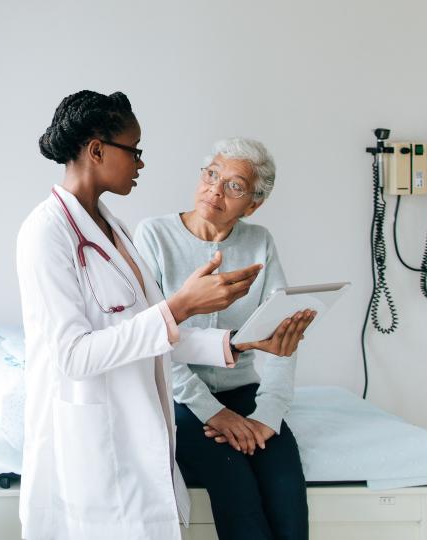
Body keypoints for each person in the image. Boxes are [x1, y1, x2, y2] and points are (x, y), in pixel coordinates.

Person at [16, 92, 311, 540]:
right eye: (134, 151)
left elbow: (153, 332)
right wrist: (182, 305)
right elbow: (73, 356)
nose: (140, 164)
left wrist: (240, 343)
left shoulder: (113, 228)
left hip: (140, 421)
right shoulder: (46, 232)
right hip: (93, 436)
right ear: (97, 150)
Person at [134, 137, 313, 540]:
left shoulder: (259, 241)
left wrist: (267, 415)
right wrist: (212, 412)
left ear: (252, 205)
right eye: (212, 174)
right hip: (178, 399)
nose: (215, 189)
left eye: (234, 185)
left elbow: (283, 334)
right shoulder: (154, 236)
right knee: (236, 490)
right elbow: (154, 339)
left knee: (286, 491)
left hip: (242, 390)